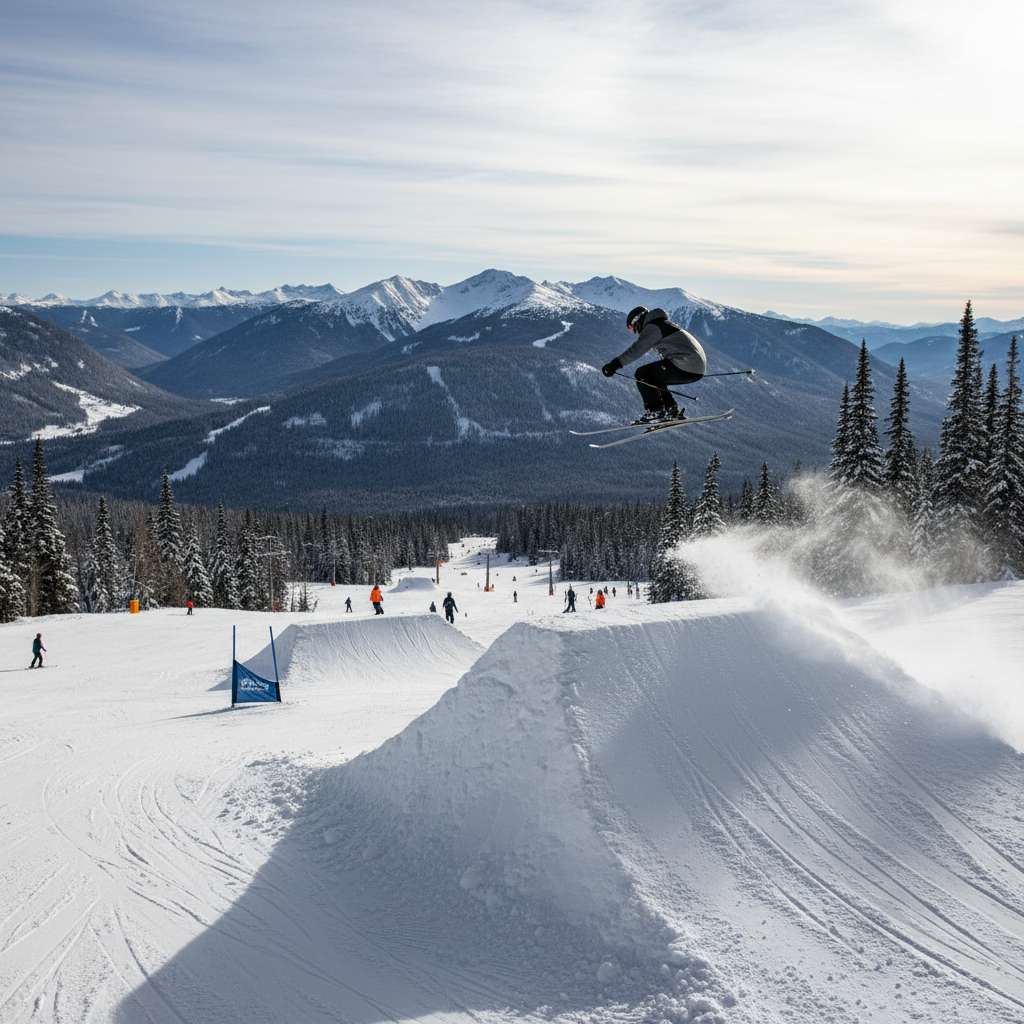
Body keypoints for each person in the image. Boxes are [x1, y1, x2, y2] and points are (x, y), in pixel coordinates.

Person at [602, 306, 707, 424]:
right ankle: (671, 410)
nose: (635, 331)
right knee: (654, 377)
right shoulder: (663, 324)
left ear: (637, 320)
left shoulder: (654, 327)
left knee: (643, 374)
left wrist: (615, 364)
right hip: (694, 367)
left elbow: (637, 349)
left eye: (632, 327)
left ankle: (655, 412)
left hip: (686, 364)